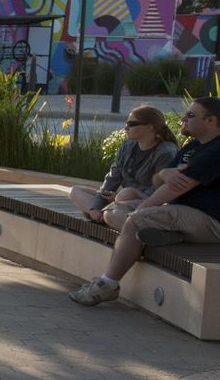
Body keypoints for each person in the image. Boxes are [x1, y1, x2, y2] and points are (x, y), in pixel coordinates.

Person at [71, 97, 220, 306]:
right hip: (182, 209)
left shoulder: (216, 150)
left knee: (135, 221)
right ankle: (169, 236)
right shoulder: (194, 147)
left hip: (210, 220)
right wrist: (165, 173)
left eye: (191, 115)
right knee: (115, 210)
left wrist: (140, 211)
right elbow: (160, 180)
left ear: (211, 121)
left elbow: (176, 187)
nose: (184, 118)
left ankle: (107, 285)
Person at [68, 105, 178, 224]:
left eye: (131, 124)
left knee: (126, 194)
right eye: (127, 123)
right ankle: (101, 214)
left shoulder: (166, 152)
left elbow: (159, 190)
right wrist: (95, 207)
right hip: (120, 200)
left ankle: (107, 215)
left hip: (147, 203)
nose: (126, 128)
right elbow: (112, 178)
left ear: (149, 127)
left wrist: (122, 196)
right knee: (76, 191)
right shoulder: (128, 146)